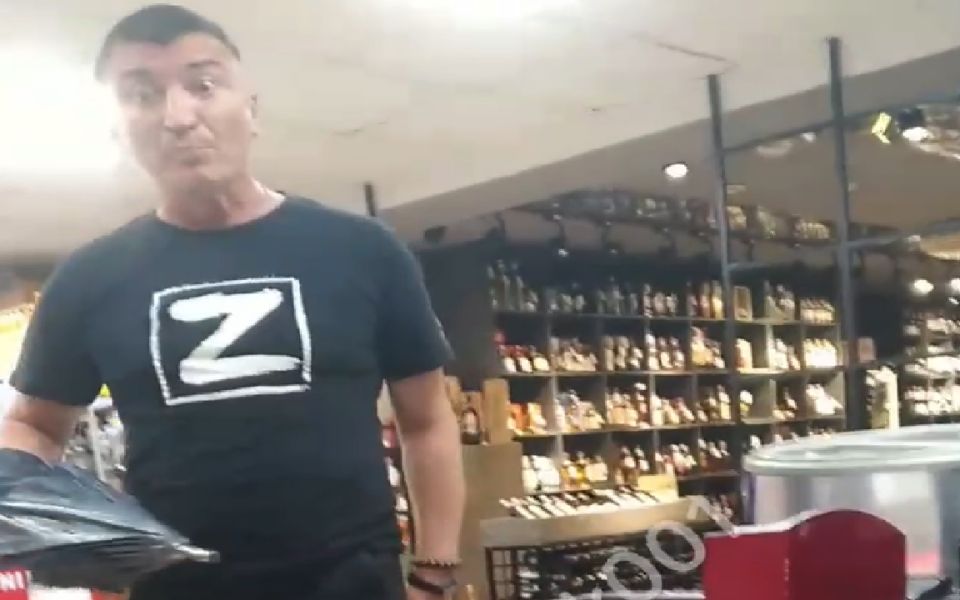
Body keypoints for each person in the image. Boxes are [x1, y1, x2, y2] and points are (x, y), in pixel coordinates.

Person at [0, 4, 464, 600]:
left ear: (251, 109)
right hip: (179, 588)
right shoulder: (89, 278)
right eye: (141, 94)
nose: (178, 116)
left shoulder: (363, 249)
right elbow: (33, 425)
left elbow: (426, 420)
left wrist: (435, 572)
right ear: (119, 129)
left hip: (350, 582)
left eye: (203, 85)